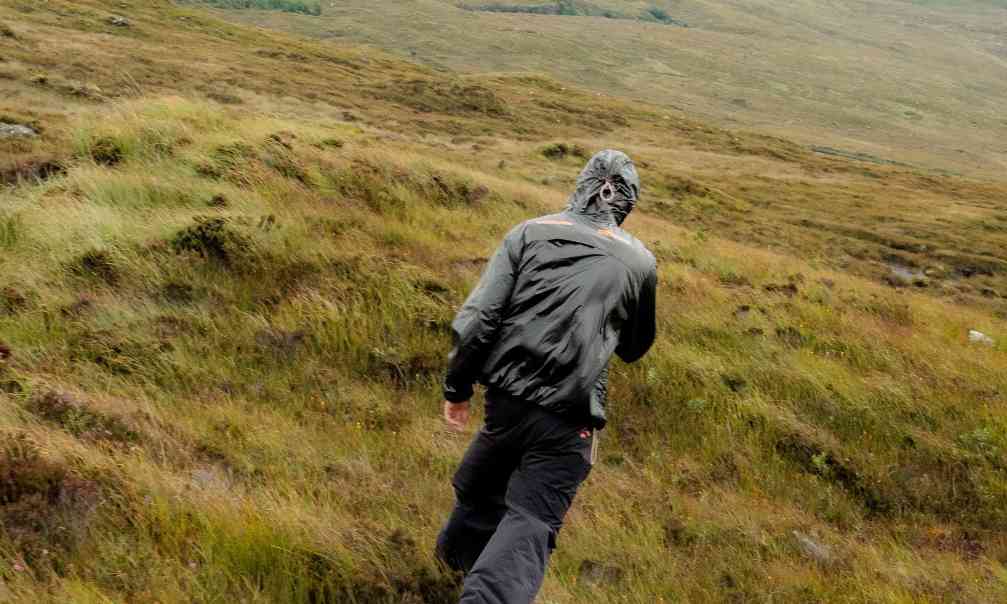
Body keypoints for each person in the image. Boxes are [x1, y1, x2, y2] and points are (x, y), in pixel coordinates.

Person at [435, 149, 657, 604]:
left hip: (506, 403)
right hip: (569, 417)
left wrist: (458, 388)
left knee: (481, 492)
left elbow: (478, 319)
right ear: (626, 203)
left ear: (581, 186)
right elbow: (635, 347)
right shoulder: (639, 263)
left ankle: (444, 573)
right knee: (531, 518)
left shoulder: (528, 233)